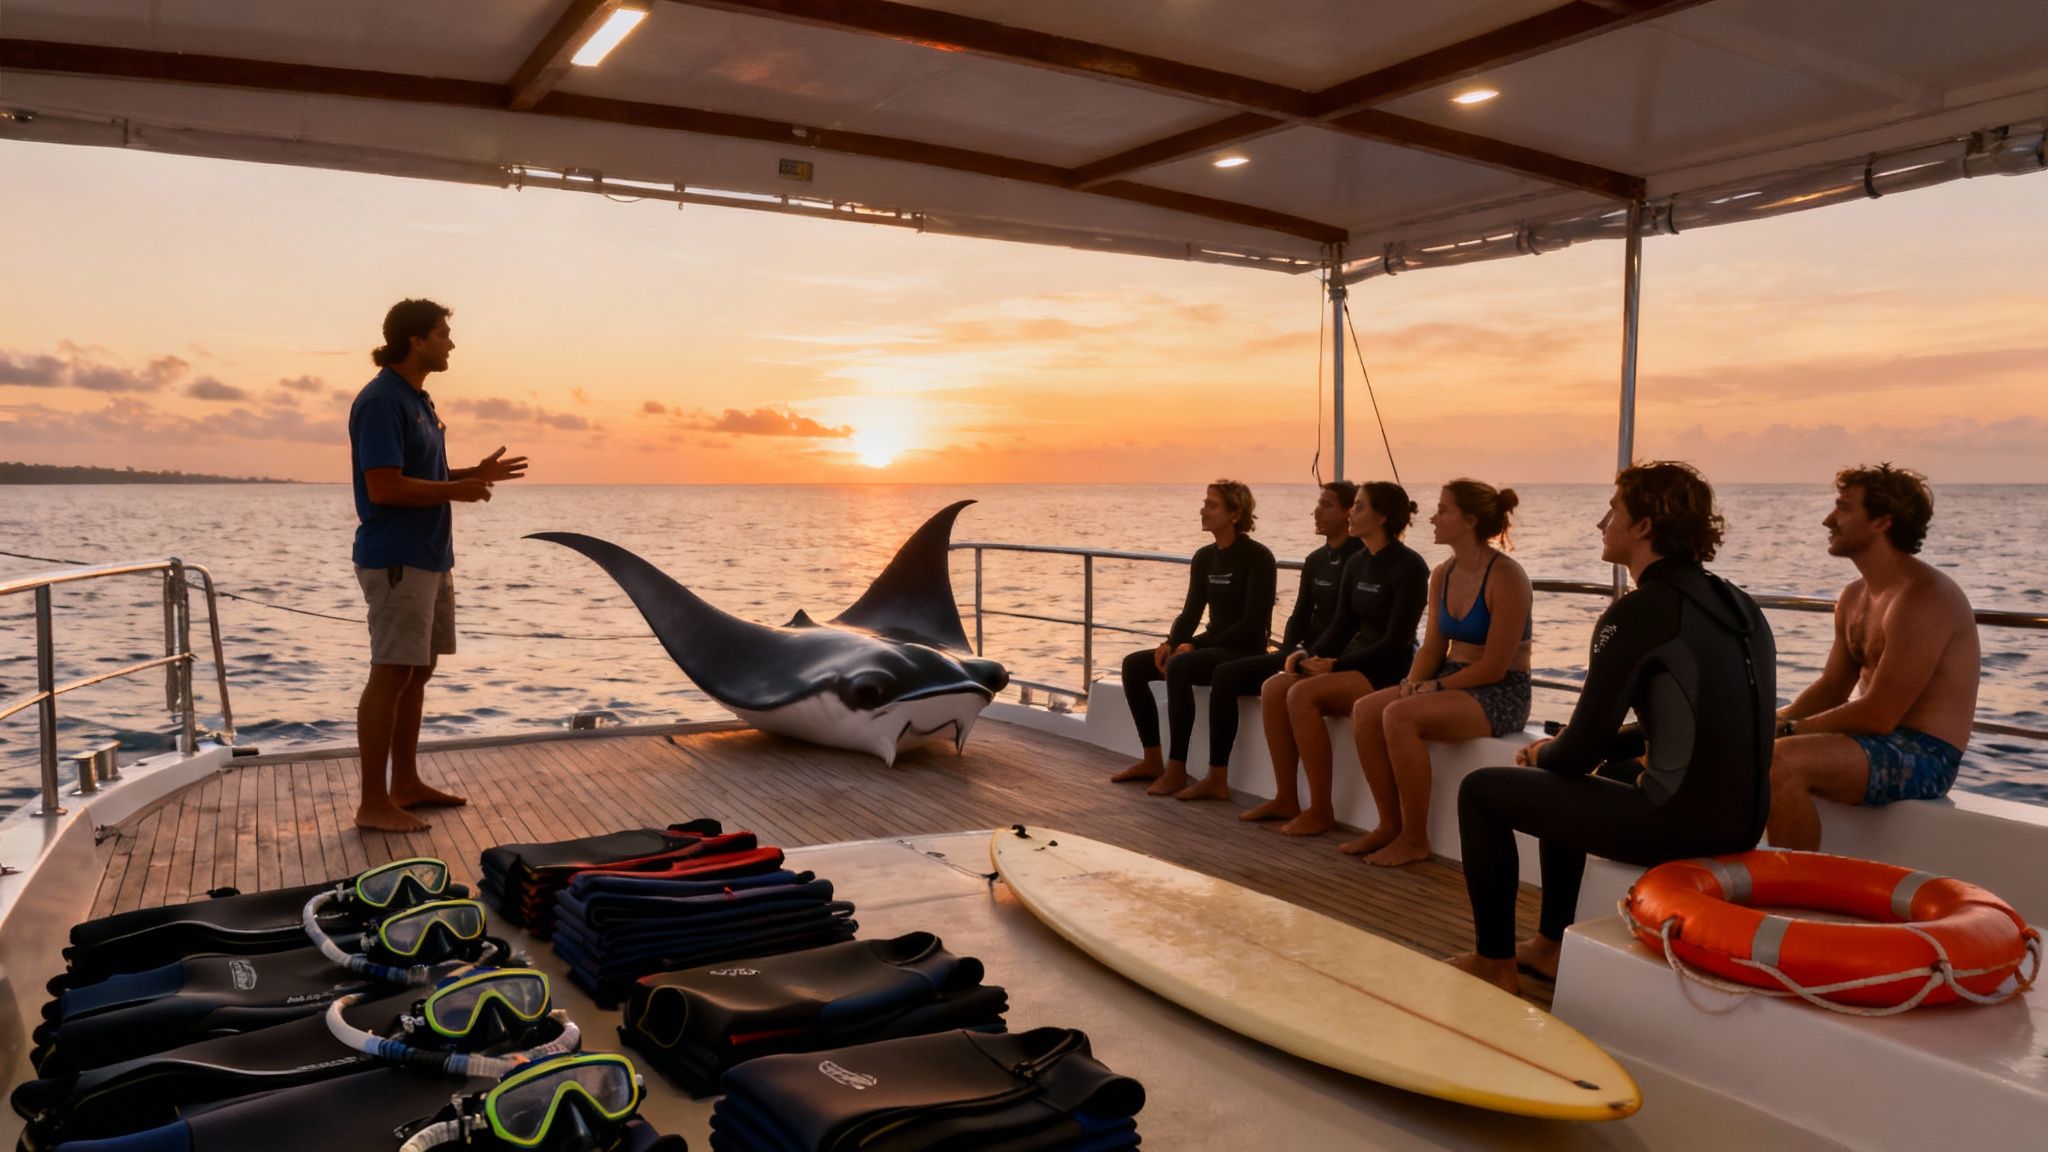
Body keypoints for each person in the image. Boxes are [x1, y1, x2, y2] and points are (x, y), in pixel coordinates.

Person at [1448, 463, 1774, 994]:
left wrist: (1543, 754)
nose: (1602, 523)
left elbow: (1579, 751)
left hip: (1680, 823)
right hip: (1744, 821)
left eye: (1613, 511)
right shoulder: (1737, 604)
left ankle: (1493, 962)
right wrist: (1562, 755)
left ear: (1643, 526)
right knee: (1589, 778)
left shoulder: (1641, 611)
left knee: (1483, 791)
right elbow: (1697, 726)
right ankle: (1551, 947)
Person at [349, 299, 528, 832]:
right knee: (391, 673)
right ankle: (371, 802)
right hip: (396, 557)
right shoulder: (383, 400)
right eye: (443, 333)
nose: (451, 343)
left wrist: (474, 472)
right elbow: (383, 486)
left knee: (418, 670)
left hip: (429, 555)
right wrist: (457, 491)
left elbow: (416, 472)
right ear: (417, 340)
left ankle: (404, 784)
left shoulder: (418, 400)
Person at [1767, 465, 1979, 850]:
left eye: (1844, 508)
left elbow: (1879, 714)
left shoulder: (1923, 597)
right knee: (1741, 748)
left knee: (1780, 762)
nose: (1828, 520)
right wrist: (1776, 719)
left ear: (1882, 521)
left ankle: (1794, 892)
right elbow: (1832, 687)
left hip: (1926, 755)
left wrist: (1788, 732)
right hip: (1871, 741)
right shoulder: (1854, 596)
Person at [1344, 480, 1532, 866]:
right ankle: (1388, 824)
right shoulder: (1442, 574)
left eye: (1443, 510)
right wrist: (1413, 683)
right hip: (1450, 677)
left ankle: (1415, 839)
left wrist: (1433, 687)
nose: (1432, 517)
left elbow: (1495, 666)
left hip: (1500, 690)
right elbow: (1432, 648)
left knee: (1399, 715)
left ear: (1469, 520)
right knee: (1366, 710)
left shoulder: (1507, 577)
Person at [1242, 482, 1429, 835]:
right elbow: (1342, 625)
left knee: (1302, 695)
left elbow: (1396, 641)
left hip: (1387, 669)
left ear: (1382, 517)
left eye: (1358, 507)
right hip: (1352, 660)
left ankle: (1321, 809)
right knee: (1274, 687)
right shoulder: (1357, 562)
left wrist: (1336, 666)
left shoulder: (1409, 567)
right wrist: (1306, 655)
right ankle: (1286, 798)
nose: (1350, 514)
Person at [1174, 483, 1363, 802]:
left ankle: (1231, 781)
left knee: (1226, 674)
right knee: (1222, 673)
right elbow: (1300, 614)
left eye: (1326, 505)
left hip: (1334, 658)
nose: (1316, 511)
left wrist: (1318, 657)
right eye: (1318, 503)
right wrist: (1290, 651)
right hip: (1303, 654)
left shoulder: (1358, 560)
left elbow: (1348, 623)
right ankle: (1216, 777)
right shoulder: (1317, 559)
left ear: (1348, 512)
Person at [1111, 481, 1277, 797]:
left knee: (1182, 666)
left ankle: (1177, 769)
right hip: (1211, 645)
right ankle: (1152, 760)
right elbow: (1190, 613)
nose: (1203, 509)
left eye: (1212, 504)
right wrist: (1170, 643)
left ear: (1235, 513)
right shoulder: (1204, 557)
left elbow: (1252, 625)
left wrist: (1193, 646)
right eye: (1205, 502)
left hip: (1244, 649)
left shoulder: (1258, 558)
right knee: (1134, 665)